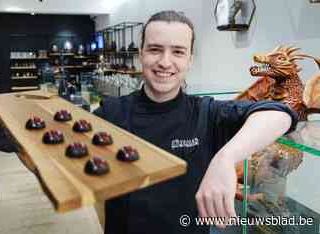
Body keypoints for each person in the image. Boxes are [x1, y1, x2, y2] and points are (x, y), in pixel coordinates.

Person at [93, 10, 297, 234]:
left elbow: (281, 113)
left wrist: (224, 160)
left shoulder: (206, 113)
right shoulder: (111, 113)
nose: (165, 62)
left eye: (178, 52)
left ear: (189, 59)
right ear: (140, 54)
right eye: (155, 49)